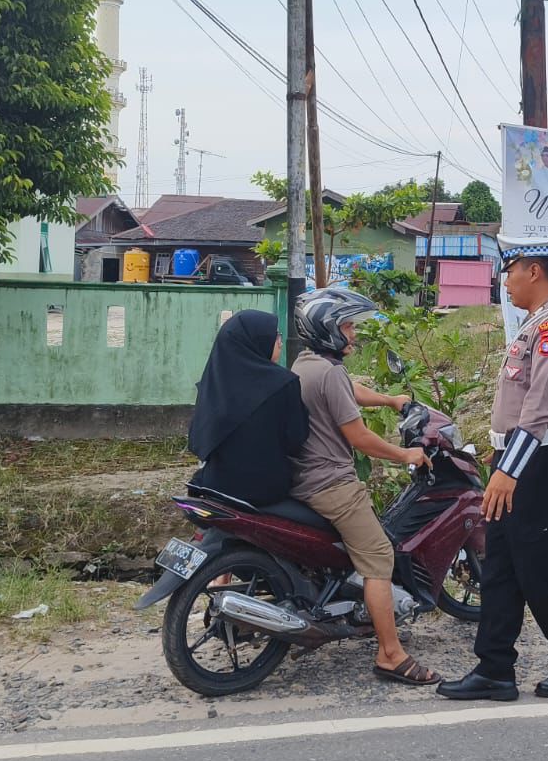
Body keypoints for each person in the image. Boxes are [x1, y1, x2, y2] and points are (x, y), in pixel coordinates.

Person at [438, 236, 548, 702]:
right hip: (513, 460)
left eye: (509, 271)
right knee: (501, 567)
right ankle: (494, 668)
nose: (504, 280)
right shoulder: (535, 324)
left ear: (533, 271)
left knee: (538, 570)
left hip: (536, 465)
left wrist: (507, 471)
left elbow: (540, 407)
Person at [291, 289, 439, 686]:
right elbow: (358, 437)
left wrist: (391, 401)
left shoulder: (307, 365)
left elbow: (348, 392)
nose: (353, 333)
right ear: (328, 330)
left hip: (304, 480)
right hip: (332, 484)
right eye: (348, 326)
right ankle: (391, 654)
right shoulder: (330, 372)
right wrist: (403, 455)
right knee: (378, 557)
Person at [187, 310, 308, 506]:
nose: (280, 342)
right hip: (265, 490)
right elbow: (296, 440)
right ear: (256, 340)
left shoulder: (213, 383)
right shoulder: (284, 383)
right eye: (276, 335)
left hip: (214, 485)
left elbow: (196, 438)